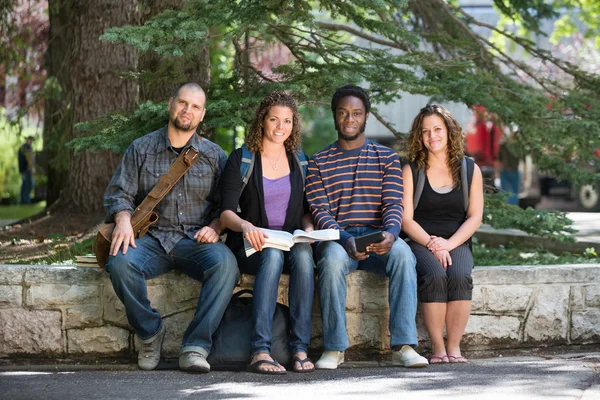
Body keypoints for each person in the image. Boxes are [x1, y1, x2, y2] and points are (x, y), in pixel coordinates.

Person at [103, 82, 239, 373]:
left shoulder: (215, 156)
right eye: (182, 103)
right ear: (170, 104)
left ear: (202, 115)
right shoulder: (142, 148)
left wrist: (215, 227)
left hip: (196, 241)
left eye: (195, 106)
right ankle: (150, 334)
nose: (187, 110)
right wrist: (124, 221)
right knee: (119, 263)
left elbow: (225, 206)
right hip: (151, 240)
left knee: (226, 265)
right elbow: (118, 193)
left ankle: (195, 347)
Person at [306, 84, 428, 370]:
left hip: (378, 239)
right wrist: (345, 237)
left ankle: (404, 345)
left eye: (356, 113)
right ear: (334, 116)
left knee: (402, 254)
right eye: (343, 113)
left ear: (366, 116)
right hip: (338, 240)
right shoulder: (318, 162)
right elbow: (319, 210)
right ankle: (335, 348)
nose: (350, 119)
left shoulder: (385, 158)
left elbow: (394, 204)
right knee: (333, 262)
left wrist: (391, 233)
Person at [220, 91, 315, 374]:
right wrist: (246, 226)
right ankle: (260, 350)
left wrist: (308, 229)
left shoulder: (299, 159)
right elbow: (225, 212)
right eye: (274, 119)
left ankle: (299, 348)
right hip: (251, 244)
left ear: (293, 125)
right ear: (262, 120)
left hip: (289, 241)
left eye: (287, 121)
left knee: (304, 255)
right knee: (271, 255)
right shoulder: (242, 158)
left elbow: (307, 210)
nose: (280, 127)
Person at [401, 104, 483, 364]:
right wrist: (434, 245)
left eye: (437, 129)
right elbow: (405, 219)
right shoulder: (411, 170)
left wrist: (449, 244)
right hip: (420, 242)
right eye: (425, 131)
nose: (432, 136)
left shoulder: (470, 170)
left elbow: (475, 217)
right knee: (435, 276)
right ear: (419, 136)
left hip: (456, 241)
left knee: (459, 276)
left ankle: (454, 347)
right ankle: (437, 347)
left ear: (449, 131)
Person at [494, 131, 520, 205]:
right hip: (513, 171)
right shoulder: (518, 146)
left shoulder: (504, 145)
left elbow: (498, 160)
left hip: (506, 171)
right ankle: (514, 210)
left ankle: (508, 210)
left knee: (506, 192)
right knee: (514, 192)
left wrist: (496, 172)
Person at [18, 136, 35, 204]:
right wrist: (31, 167)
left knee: (27, 184)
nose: (31, 142)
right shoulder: (25, 148)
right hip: (25, 169)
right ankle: (25, 201)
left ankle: (24, 200)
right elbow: (29, 159)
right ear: (28, 140)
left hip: (26, 169)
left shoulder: (27, 148)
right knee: (26, 185)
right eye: (31, 140)